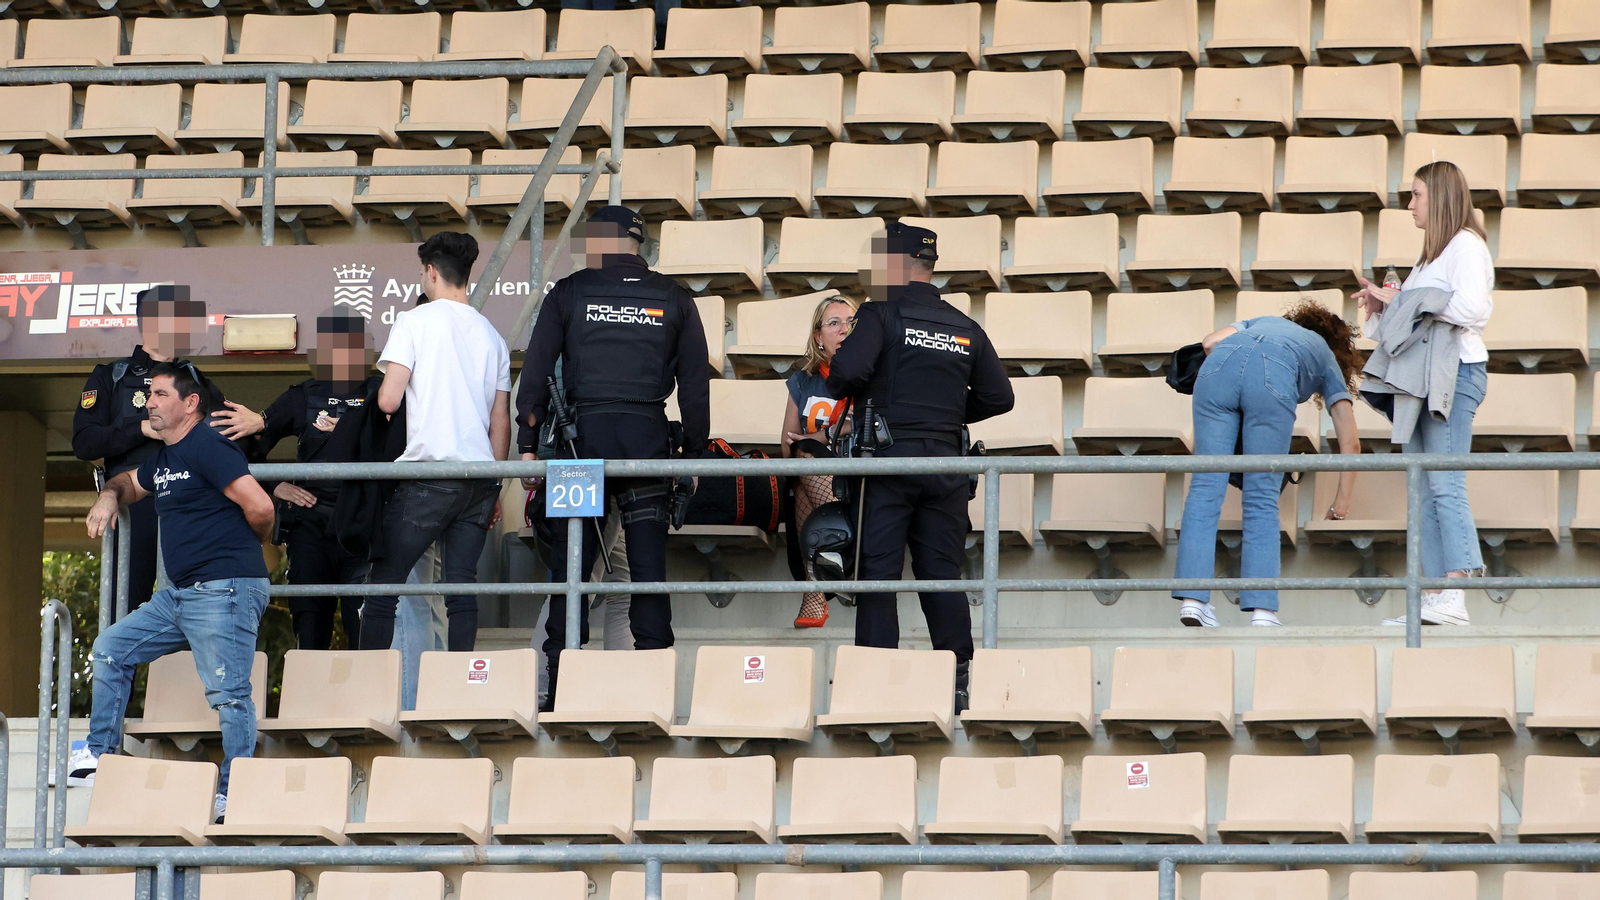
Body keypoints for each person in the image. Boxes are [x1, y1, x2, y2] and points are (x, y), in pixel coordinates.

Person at [517, 205, 711, 708]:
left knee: (571, 575)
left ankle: (560, 689)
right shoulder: (674, 297)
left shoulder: (569, 291)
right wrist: (692, 454)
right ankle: (653, 693)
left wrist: (527, 444)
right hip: (646, 444)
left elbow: (535, 372)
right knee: (648, 574)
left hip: (578, 447)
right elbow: (695, 388)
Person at [74, 363, 276, 821]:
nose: (150, 403)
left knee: (229, 694)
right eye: (149, 395)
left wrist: (247, 549)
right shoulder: (166, 458)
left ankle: (234, 792)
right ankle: (101, 754)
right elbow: (129, 482)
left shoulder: (207, 444)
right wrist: (108, 495)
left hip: (224, 589)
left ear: (190, 403)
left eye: (161, 395)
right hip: (179, 596)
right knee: (110, 649)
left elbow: (261, 507)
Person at [825, 222, 1014, 706]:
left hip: (887, 463)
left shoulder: (880, 311)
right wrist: (945, 415)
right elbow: (1000, 396)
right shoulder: (962, 323)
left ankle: (874, 687)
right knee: (941, 574)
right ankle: (960, 682)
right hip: (946, 465)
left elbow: (845, 373)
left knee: (878, 575)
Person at [1354, 160, 1493, 627]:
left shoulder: (1466, 245)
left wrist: (1405, 301)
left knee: (1445, 484)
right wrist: (1381, 307)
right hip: (1418, 379)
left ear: (1440, 197)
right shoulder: (1427, 259)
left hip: (1454, 373)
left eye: (1416, 195)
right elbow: (1405, 325)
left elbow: (1472, 309)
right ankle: (1435, 592)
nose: (1410, 204)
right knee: (1422, 487)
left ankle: (1456, 591)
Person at [361, 232, 512, 652]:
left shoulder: (414, 321)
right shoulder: (493, 336)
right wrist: (496, 485)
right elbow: (500, 422)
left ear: (430, 272)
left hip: (428, 476)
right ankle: (458, 682)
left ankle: (370, 683)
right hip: (479, 480)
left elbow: (388, 400)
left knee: (383, 588)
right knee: (461, 589)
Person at [1173, 301, 1364, 627]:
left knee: (1204, 487)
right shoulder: (1323, 353)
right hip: (1273, 375)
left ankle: (1193, 601)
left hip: (1218, 367)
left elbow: (1209, 343)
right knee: (1261, 497)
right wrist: (1341, 504)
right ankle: (1262, 611)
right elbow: (1350, 442)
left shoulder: (1262, 320)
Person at [210, 310, 381, 650]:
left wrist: (352, 428)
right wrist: (275, 486)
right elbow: (247, 447)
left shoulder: (380, 391)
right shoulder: (304, 395)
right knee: (310, 627)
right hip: (311, 528)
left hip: (363, 527)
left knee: (364, 630)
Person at [72, 287, 227, 615]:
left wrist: (259, 428)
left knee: (197, 611)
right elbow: (84, 442)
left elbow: (229, 437)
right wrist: (140, 428)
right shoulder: (112, 376)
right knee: (124, 611)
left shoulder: (195, 381)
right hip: (133, 504)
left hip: (188, 505)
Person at [781, 293, 857, 628]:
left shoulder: (872, 376)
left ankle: (816, 590)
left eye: (851, 322)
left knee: (807, 455)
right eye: (834, 323)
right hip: (815, 475)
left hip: (858, 477)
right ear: (818, 336)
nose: (843, 329)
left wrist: (822, 436)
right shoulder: (803, 380)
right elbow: (788, 442)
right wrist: (823, 439)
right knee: (802, 460)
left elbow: (868, 425)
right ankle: (840, 550)